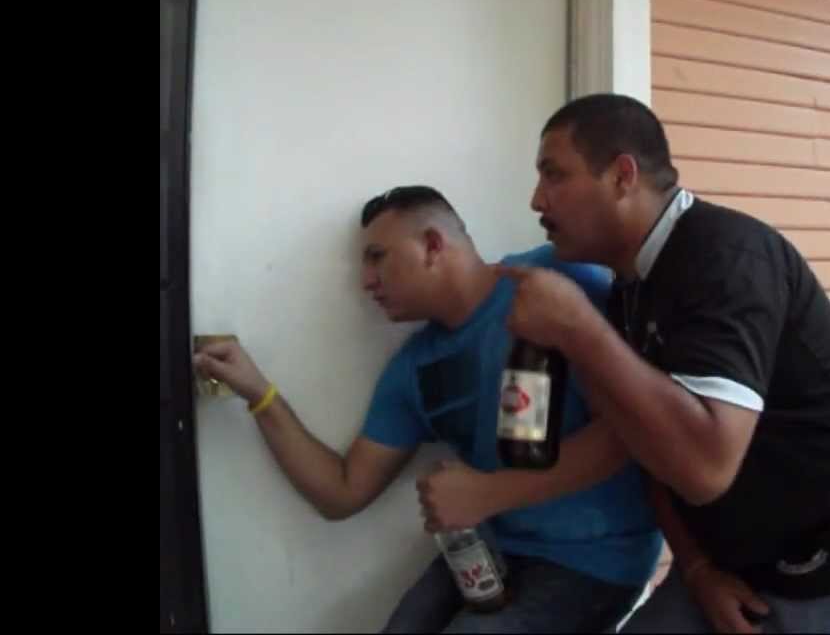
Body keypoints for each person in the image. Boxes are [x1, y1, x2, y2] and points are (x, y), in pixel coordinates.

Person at [493, 94, 830, 633]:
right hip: (732, 562)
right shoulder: (631, 289)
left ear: (621, 176)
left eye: (554, 174)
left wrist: (577, 328)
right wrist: (696, 566)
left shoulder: (727, 257)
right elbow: (645, 443)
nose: (536, 199)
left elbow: (705, 467)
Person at [192, 185, 661, 634]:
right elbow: (341, 491)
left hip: (596, 559)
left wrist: (487, 493)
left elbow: (638, 425)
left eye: (378, 257)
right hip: (491, 548)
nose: (366, 281)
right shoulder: (413, 370)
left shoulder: (554, 277)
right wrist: (259, 394)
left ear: (433, 245)